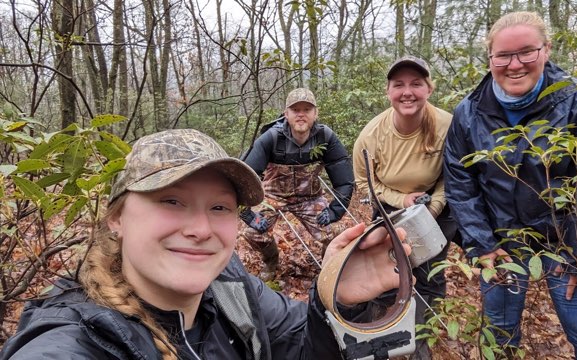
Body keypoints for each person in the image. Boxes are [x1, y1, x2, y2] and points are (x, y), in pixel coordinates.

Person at [0, 129, 410, 360]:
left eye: (219, 207)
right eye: (171, 201)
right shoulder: (75, 342)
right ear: (117, 217)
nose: (200, 229)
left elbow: (303, 347)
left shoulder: (230, 285)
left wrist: (334, 297)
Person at [444, 11, 577, 359]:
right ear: (490, 58)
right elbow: (461, 183)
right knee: (499, 332)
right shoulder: (468, 112)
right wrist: (483, 245)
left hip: (566, 243)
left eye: (527, 52)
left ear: (546, 50)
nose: (515, 65)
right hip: (502, 244)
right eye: (503, 56)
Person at [352, 55, 461, 359]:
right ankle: (376, 333)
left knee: (430, 275)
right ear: (388, 92)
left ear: (429, 88)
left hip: (435, 203)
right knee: (388, 269)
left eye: (416, 83)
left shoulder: (447, 125)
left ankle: (419, 341)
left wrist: (434, 207)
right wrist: (402, 202)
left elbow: (456, 175)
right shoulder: (372, 135)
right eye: (398, 85)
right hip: (390, 205)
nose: (407, 92)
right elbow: (365, 183)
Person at [239, 88, 354, 281]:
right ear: (286, 114)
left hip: (310, 198)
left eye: (307, 109)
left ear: (315, 113)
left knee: (332, 233)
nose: (301, 114)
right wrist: (247, 213)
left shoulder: (325, 137)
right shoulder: (271, 138)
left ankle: (331, 264)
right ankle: (271, 259)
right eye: (295, 110)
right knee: (253, 232)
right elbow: (244, 178)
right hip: (272, 196)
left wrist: (334, 211)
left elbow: (344, 180)